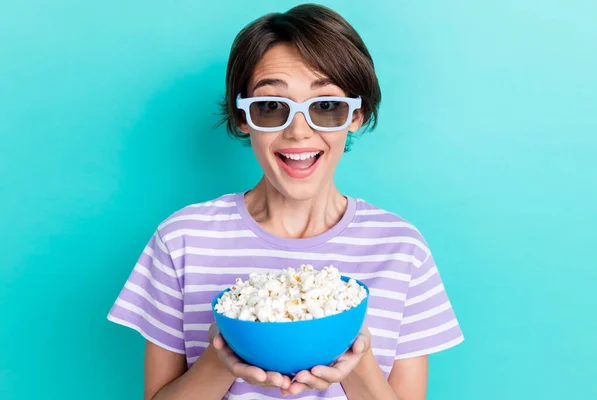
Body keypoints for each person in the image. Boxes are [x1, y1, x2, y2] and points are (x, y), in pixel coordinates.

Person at [107, 4, 463, 399]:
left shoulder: (400, 250)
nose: (298, 132)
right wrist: (222, 357)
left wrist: (356, 359)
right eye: (271, 106)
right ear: (243, 117)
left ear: (356, 114)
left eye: (326, 106)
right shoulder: (183, 240)